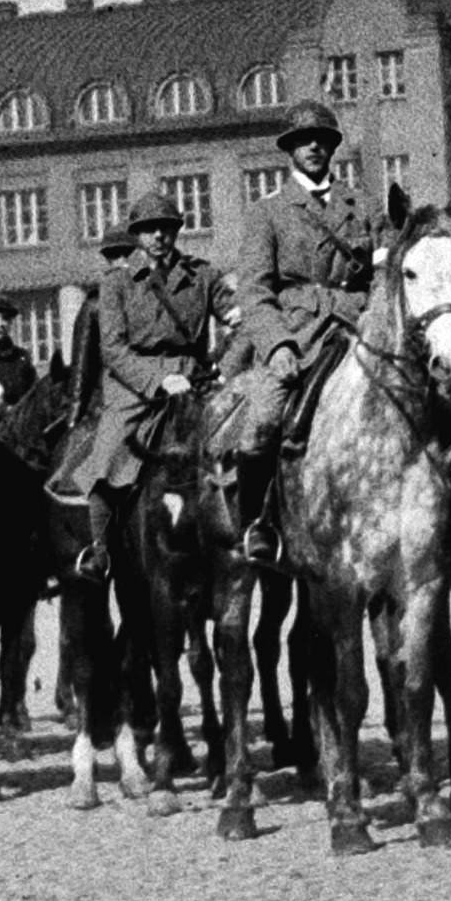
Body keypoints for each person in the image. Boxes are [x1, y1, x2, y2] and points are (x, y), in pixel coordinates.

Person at [213, 104, 379, 560]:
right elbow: (254, 291)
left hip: (356, 325)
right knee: (262, 422)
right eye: (304, 140)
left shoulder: (360, 206)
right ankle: (256, 525)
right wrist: (278, 345)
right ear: (289, 150)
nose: (313, 147)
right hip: (298, 334)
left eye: (322, 139)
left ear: (332, 148)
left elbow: (382, 272)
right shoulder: (267, 213)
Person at [55, 199, 218, 552]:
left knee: (239, 445)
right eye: (148, 228)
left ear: (177, 230)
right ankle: (100, 553)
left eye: (166, 227)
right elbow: (112, 350)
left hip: (193, 381)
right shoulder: (116, 283)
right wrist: (159, 379)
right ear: (137, 236)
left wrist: (224, 363)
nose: (158, 235)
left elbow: (241, 316)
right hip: (134, 388)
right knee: (107, 459)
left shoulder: (202, 275)